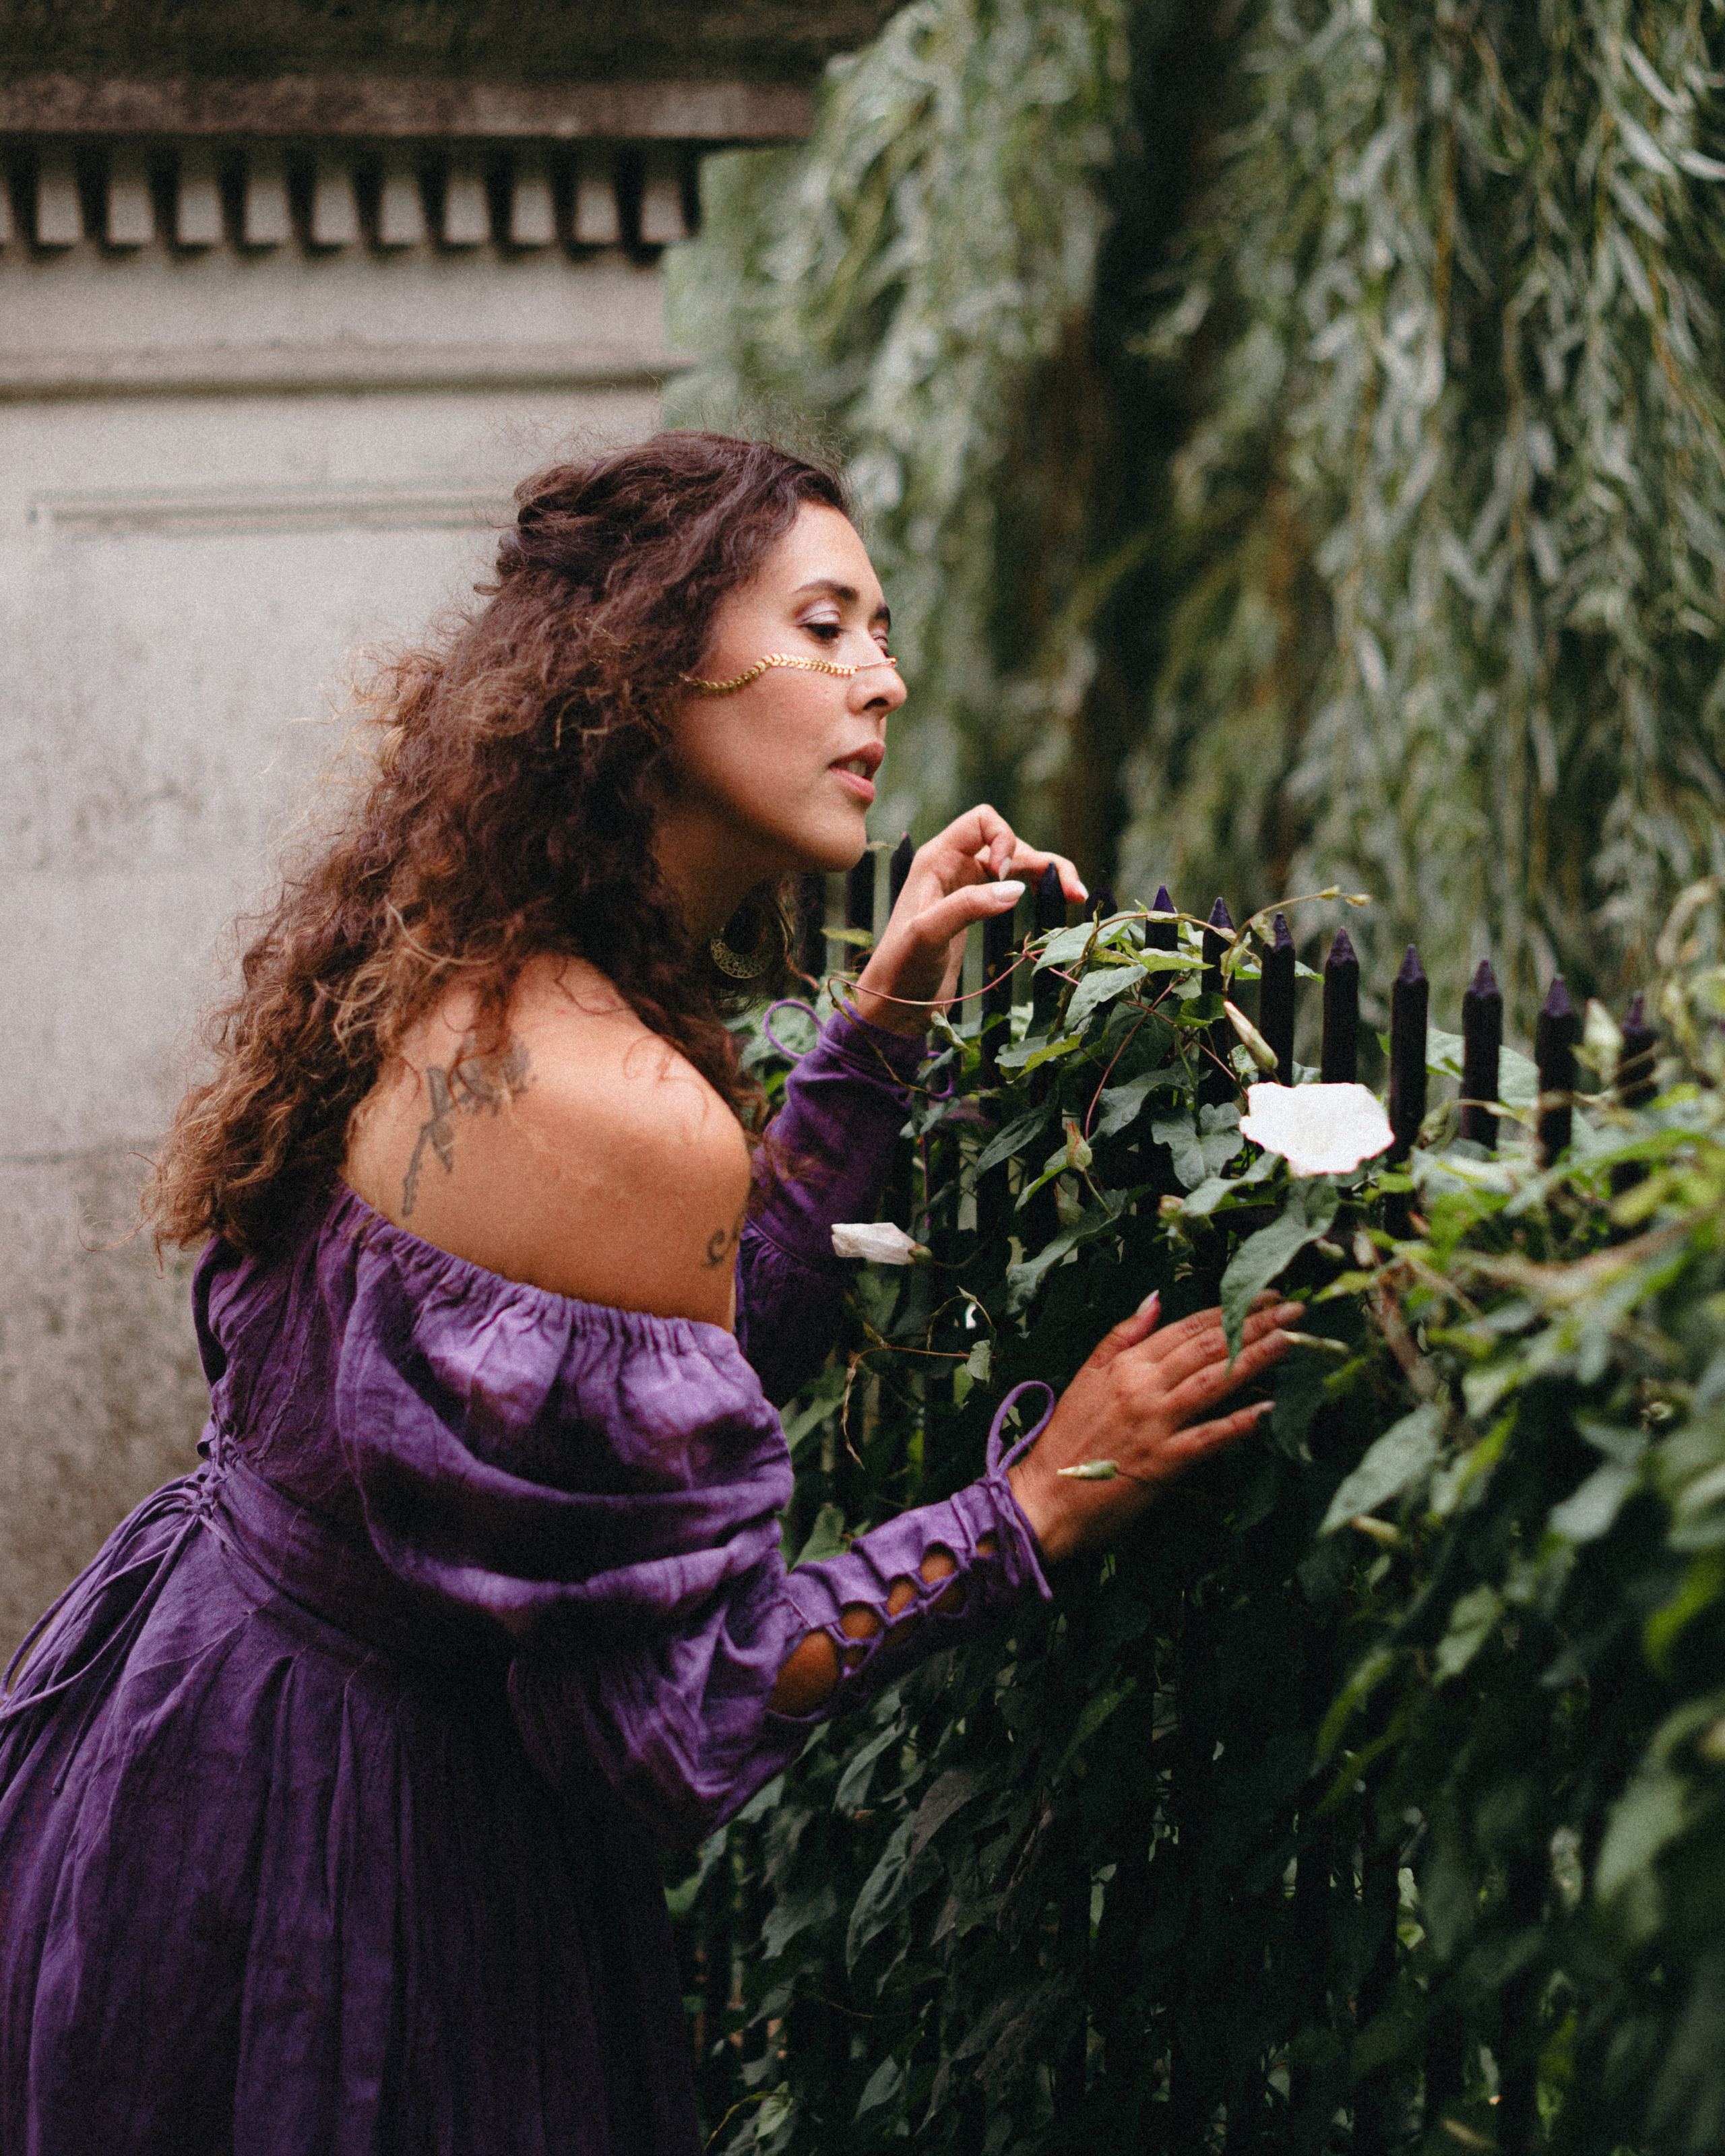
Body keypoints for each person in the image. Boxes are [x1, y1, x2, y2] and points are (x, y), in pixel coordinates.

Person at [0, 433, 1299, 2154]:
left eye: (879, 630)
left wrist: (880, 1021)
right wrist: (1026, 1510)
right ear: (643, 668)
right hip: (362, 1850)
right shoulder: (612, 1099)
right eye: (824, 626)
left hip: (196, 1723)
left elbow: (659, 1361)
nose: (885, 679)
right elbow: (676, 1707)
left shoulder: (445, 947)